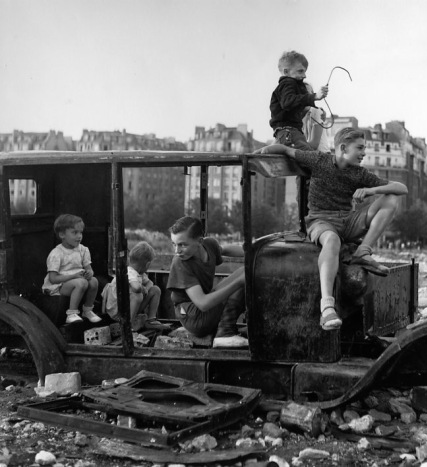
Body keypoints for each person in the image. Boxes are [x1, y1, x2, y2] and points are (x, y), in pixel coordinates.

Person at [256, 128, 408, 331]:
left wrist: (371, 190)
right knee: (332, 241)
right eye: (360, 148)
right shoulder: (319, 160)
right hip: (321, 221)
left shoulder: (359, 173)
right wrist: (264, 150)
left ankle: (363, 252)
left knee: (391, 199)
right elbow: (287, 150)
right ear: (343, 148)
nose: (363, 153)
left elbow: (402, 188)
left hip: (348, 220)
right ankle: (327, 308)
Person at [166, 216, 248, 348]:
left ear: (199, 241)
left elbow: (224, 249)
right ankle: (225, 333)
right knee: (241, 279)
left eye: (182, 244)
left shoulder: (209, 245)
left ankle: (240, 325)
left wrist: (253, 251)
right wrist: (238, 283)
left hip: (205, 308)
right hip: (193, 317)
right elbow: (203, 304)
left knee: (247, 271)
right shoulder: (180, 263)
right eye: (174, 244)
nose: (177, 250)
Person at [42, 214, 101, 324]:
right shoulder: (57, 253)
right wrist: (73, 276)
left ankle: (87, 310)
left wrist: (89, 273)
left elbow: (89, 269)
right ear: (62, 234)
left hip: (77, 280)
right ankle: (71, 313)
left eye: (80, 232)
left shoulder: (83, 250)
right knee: (81, 283)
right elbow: (53, 279)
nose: (79, 236)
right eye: (74, 232)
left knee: (94, 281)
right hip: (60, 286)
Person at [102, 241, 169, 331]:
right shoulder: (129, 272)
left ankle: (151, 320)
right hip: (118, 311)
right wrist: (143, 289)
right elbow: (136, 288)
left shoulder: (140, 273)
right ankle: (128, 325)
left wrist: (146, 289)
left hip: (127, 308)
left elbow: (150, 283)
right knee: (138, 295)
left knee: (155, 290)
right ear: (147, 264)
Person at [270, 50, 328, 150]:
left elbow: (294, 106)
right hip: (289, 132)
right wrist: (314, 97)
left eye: (305, 71)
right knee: (308, 155)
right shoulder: (287, 83)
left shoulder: (290, 85)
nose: (305, 75)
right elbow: (288, 102)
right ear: (286, 72)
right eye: (300, 71)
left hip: (290, 132)